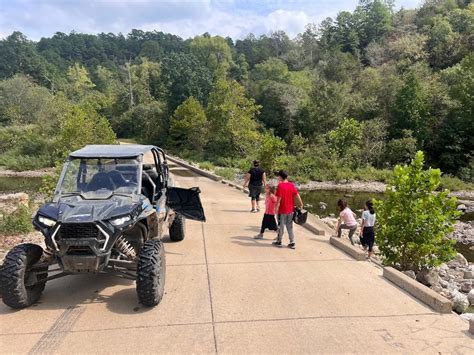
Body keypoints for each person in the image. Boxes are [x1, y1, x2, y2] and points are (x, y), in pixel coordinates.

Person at [273, 170, 303, 249]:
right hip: (290, 210)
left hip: (282, 210)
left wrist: (276, 209)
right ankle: (292, 242)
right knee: (289, 227)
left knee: (281, 226)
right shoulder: (291, 185)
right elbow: (297, 195)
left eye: (278, 176)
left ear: (280, 177)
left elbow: (278, 199)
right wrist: (301, 204)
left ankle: (279, 241)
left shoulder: (280, 186)